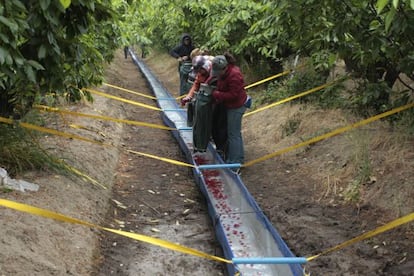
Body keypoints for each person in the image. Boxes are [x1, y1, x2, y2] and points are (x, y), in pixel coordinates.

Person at [209, 53, 248, 165]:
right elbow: (214, 78)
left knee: (234, 134)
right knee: (230, 132)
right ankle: (232, 157)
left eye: (218, 72)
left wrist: (217, 94)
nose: (217, 75)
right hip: (229, 105)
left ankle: (236, 161)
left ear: (224, 68)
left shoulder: (234, 75)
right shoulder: (223, 73)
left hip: (237, 106)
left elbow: (233, 95)